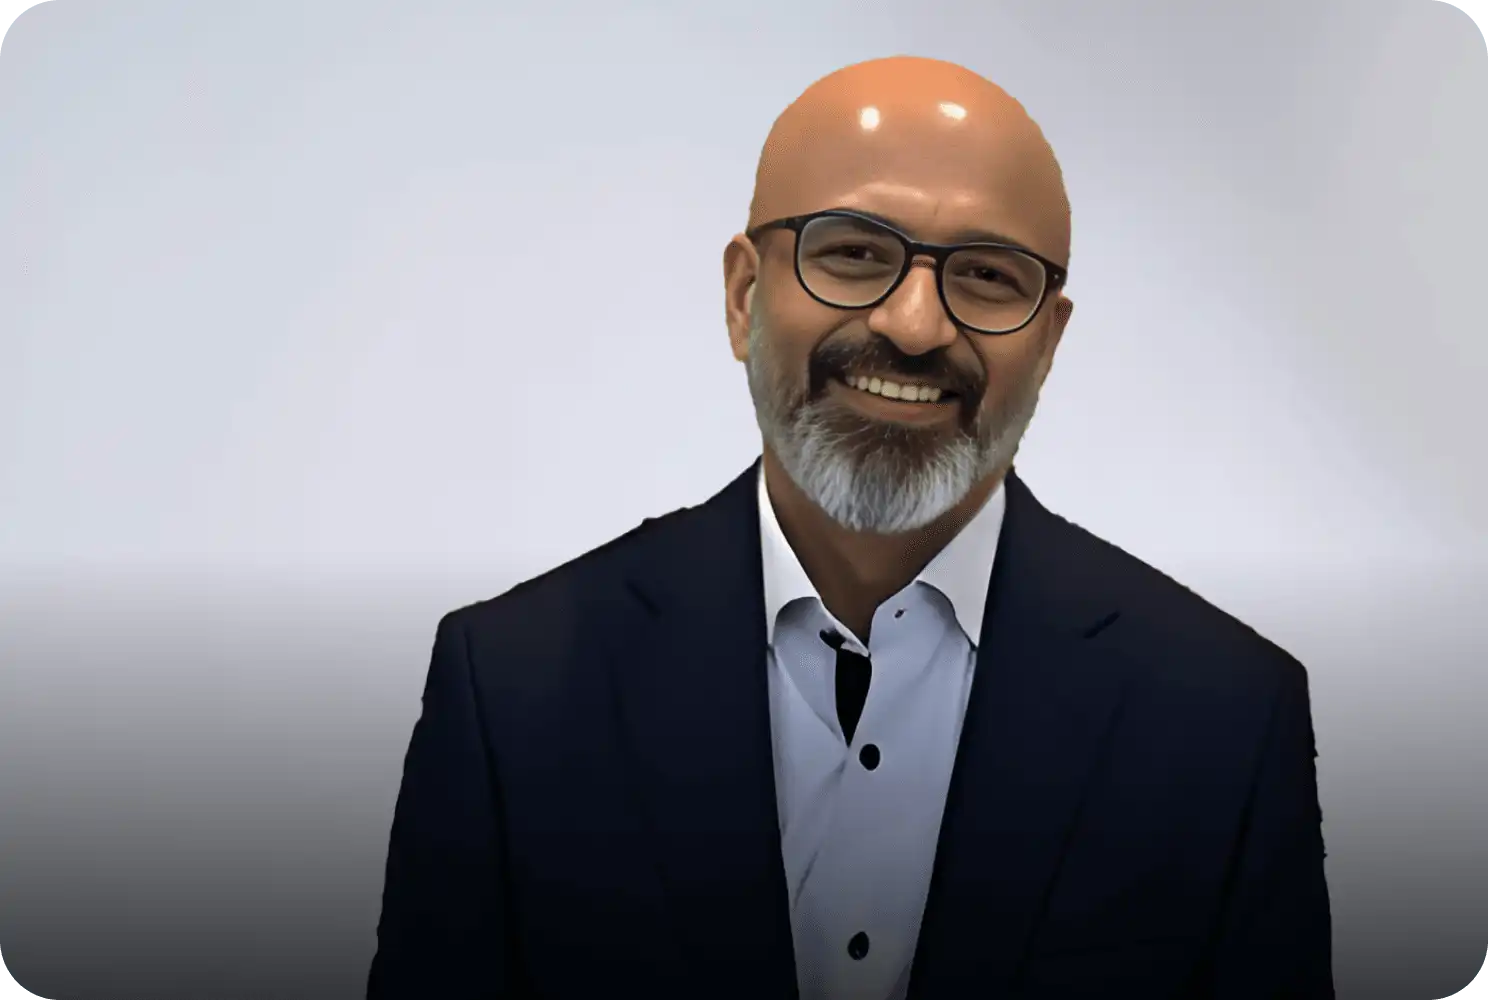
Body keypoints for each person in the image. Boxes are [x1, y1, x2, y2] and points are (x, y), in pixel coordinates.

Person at [367, 55, 1333, 1000]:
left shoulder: (1230, 722)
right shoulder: (507, 688)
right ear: (746, 296)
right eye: (855, 252)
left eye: (989, 275)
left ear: (1048, 340)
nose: (916, 325)